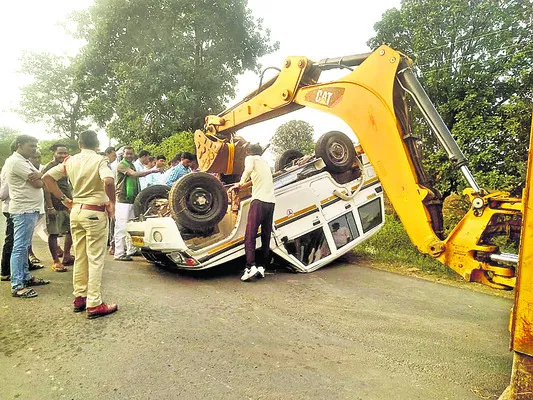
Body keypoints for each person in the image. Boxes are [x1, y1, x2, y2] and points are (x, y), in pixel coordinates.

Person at [43, 130, 118, 319]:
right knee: (95, 258)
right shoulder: (100, 160)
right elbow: (108, 180)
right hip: (94, 211)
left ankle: (79, 297)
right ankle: (94, 303)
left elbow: (47, 178)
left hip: (76, 210)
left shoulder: (70, 161)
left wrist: (64, 199)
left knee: (81, 256)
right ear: (97, 144)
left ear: (79, 144)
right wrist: (112, 202)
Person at [4, 135, 49, 298]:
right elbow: (38, 183)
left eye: (35, 145)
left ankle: (25, 277)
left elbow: (39, 178)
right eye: (31, 146)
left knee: (23, 246)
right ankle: (17, 285)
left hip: (29, 209)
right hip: (23, 209)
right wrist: (41, 178)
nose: (34, 149)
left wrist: (40, 176)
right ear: (19, 145)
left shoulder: (25, 160)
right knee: (20, 247)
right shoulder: (16, 161)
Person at [232, 143, 275, 282]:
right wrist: (244, 185)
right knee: (265, 235)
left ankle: (250, 266)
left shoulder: (251, 159)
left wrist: (239, 183)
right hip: (270, 202)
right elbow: (255, 180)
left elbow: (248, 170)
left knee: (249, 235)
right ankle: (262, 266)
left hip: (258, 202)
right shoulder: (265, 163)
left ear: (248, 152)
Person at [114, 146, 160, 261]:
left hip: (131, 200)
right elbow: (134, 174)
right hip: (123, 200)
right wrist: (152, 171)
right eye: (127, 154)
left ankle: (131, 250)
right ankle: (118, 253)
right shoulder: (122, 165)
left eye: (131, 154)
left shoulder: (131, 165)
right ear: (123, 155)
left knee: (130, 226)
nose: (129, 156)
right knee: (121, 227)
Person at [42, 143, 74, 272]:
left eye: (65, 153)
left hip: (67, 204)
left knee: (70, 230)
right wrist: (50, 207)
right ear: (54, 153)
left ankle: (66, 255)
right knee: (54, 233)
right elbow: (46, 188)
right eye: (60, 153)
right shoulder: (48, 167)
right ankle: (56, 261)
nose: (63, 155)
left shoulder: (65, 166)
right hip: (54, 205)